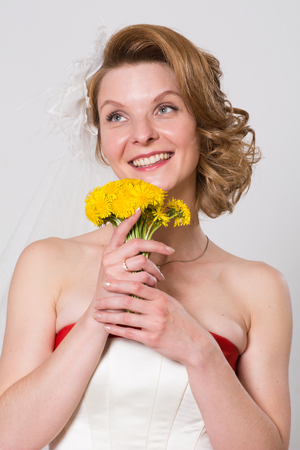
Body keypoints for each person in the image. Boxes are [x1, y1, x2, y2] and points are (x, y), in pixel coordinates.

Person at [0, 24, 292, 450]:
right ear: (102, 141)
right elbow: (9, 438)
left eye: (165, 108)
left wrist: (200, 350)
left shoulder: (260, 287)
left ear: (203, 123)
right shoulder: (47, 264)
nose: (141, 135)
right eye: (116, 116)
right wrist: (100, 312)